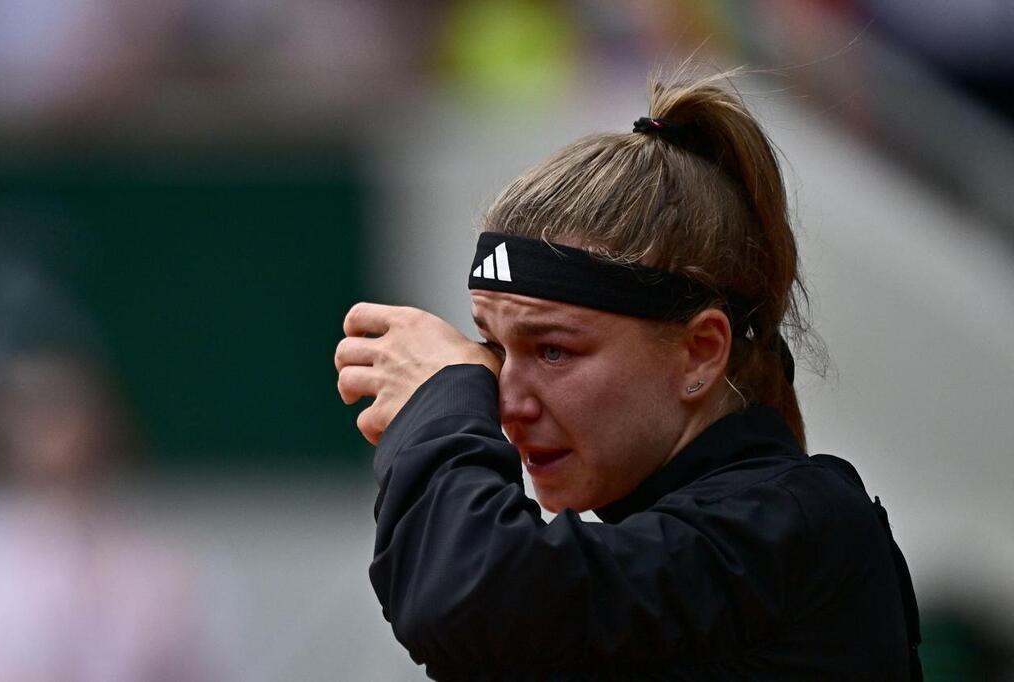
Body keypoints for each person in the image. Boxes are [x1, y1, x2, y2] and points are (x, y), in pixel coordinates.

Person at [335, 71, 922, 680]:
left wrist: (444, 402)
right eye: (491, 348)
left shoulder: (794, 523)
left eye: (554, 351)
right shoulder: (687, 531)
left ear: (700, 352)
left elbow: (470, 600)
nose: (506, 403)